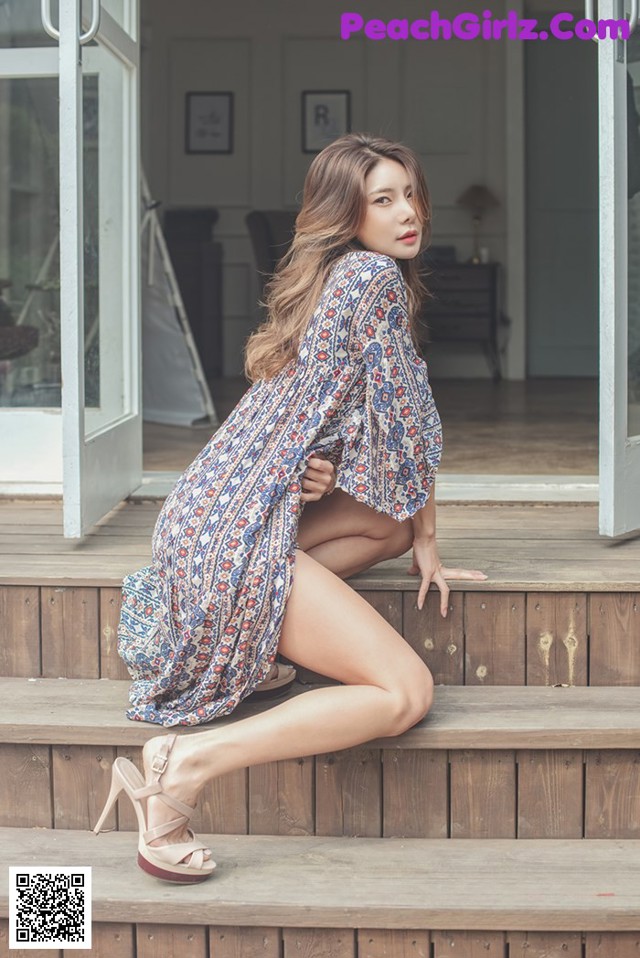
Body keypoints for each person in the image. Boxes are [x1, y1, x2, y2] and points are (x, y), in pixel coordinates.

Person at [93, 133, 487, 883]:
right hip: (239, 529)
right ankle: (183, 767)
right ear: (347, 215)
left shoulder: (332, 275)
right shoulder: (371, 277)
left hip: (203, 515)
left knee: (387, 524)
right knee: (405, 693)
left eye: (410, 194)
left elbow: (333, 419)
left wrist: (370, 502)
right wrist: (429, 543)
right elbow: (412, 424)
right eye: (383, 199)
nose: (409, 213)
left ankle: (260, 641)